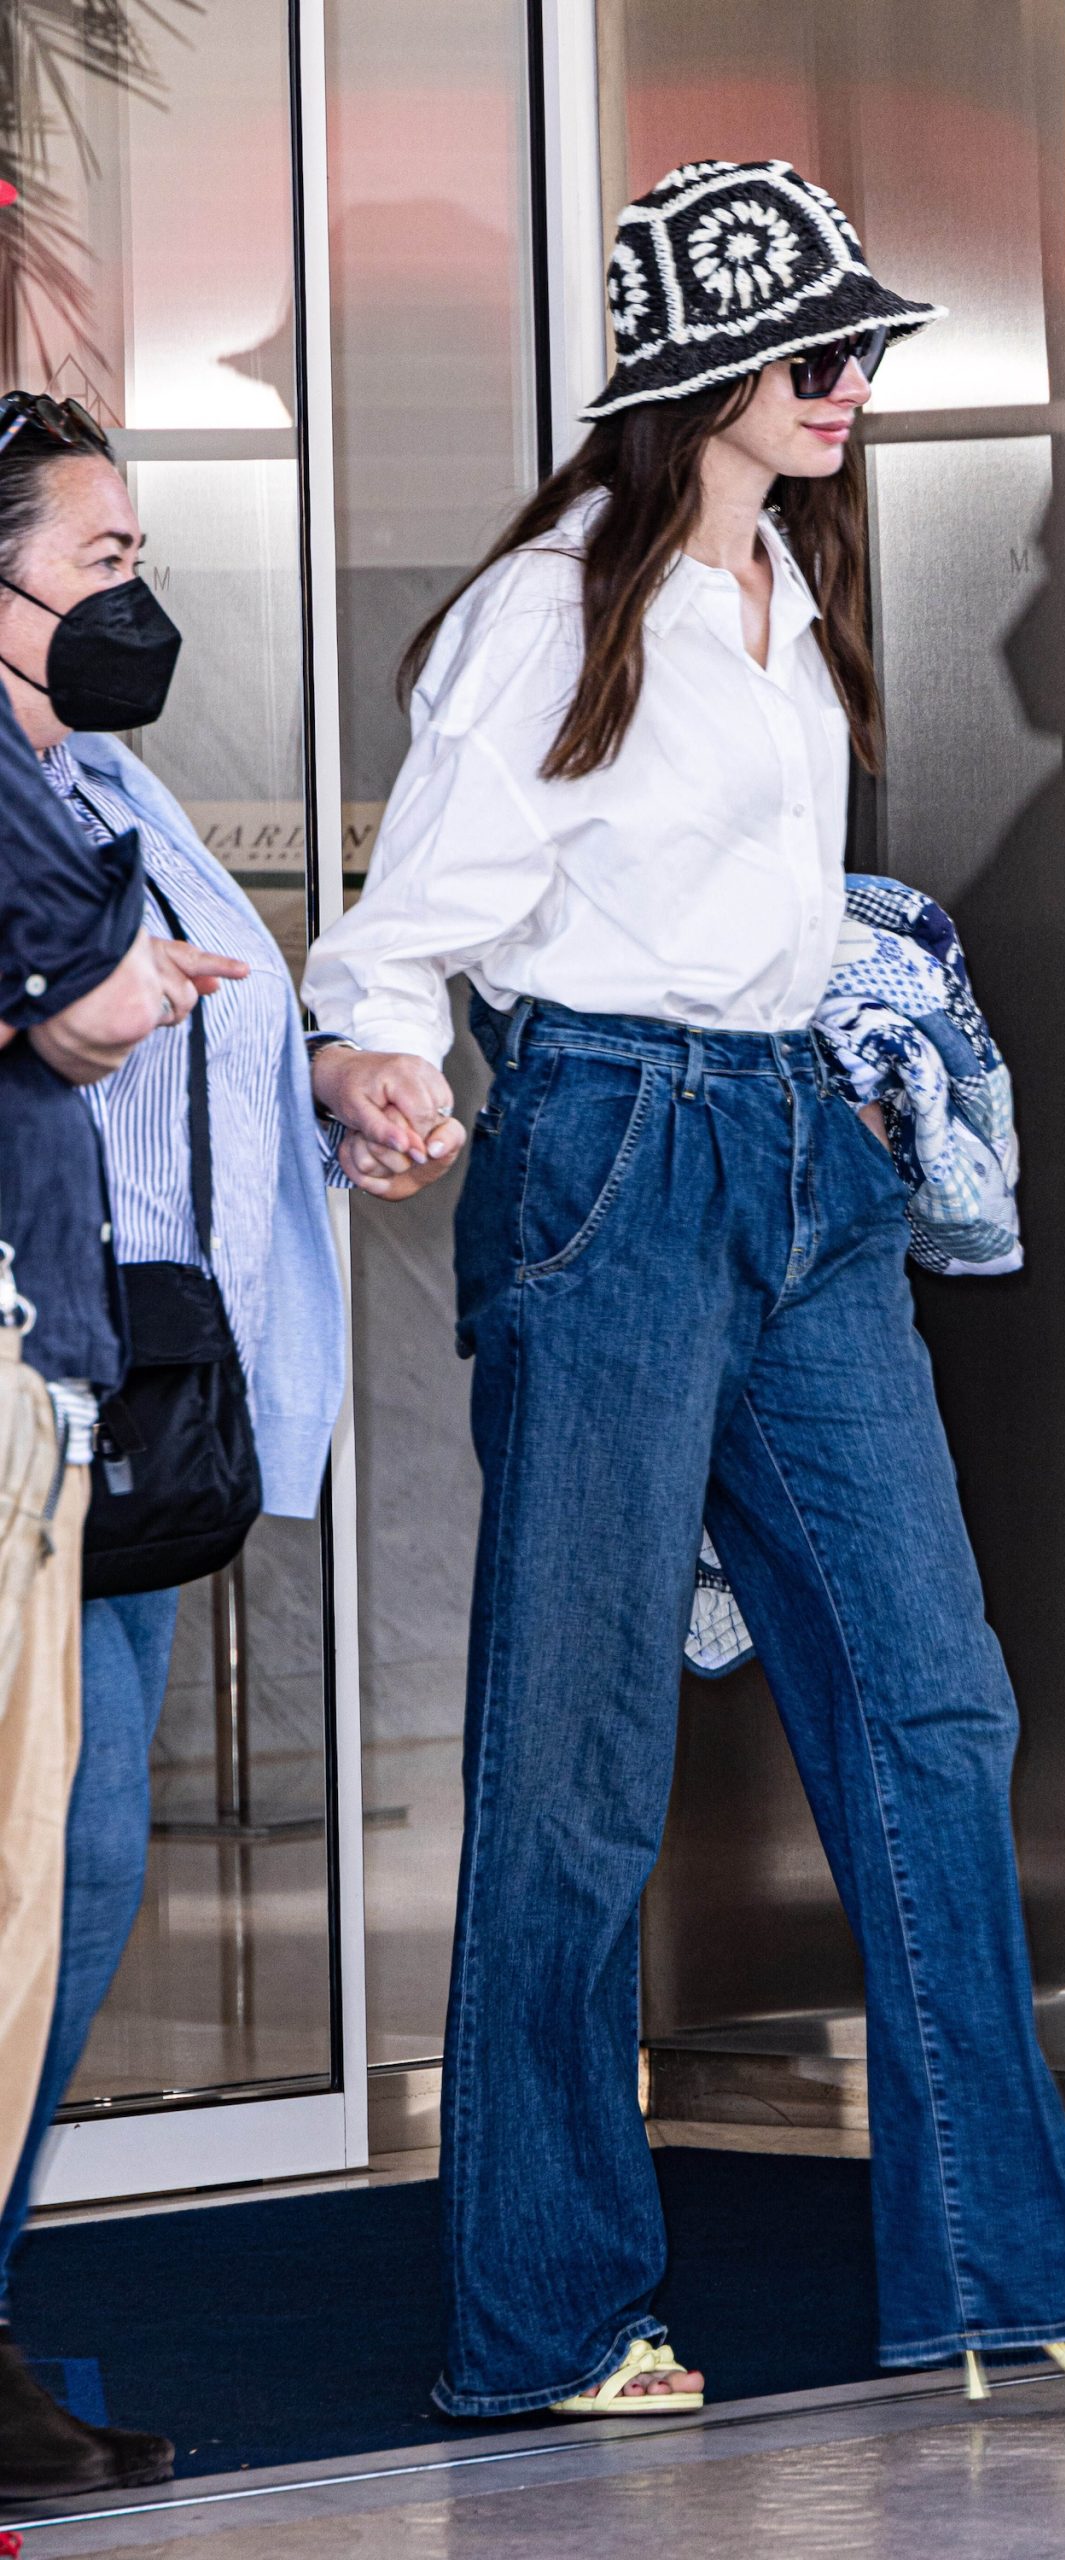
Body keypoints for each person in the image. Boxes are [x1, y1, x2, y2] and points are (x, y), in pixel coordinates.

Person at [304, 159, 1065, 2421]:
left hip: (797, 1158)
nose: (851, 386)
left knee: (935, 1704)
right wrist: (375, 1061)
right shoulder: (550, 611)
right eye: (816, 352)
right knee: (578, 1760)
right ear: (696, 378)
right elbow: (405, 923)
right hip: (608, 1151)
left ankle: (1011, 2258)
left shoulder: (783, 601)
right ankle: (545, 2309)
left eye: (864, 350)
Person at [0, 391, 464, 2496]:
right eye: (101, 563)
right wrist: (71, 1002)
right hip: (24, 1384)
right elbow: (73, 1008)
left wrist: (330, 1092)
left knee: (73, 1876)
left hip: (108, 1382)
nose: (140, 601)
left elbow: (190, 1021)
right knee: (48, 1868)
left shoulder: (105, 776)